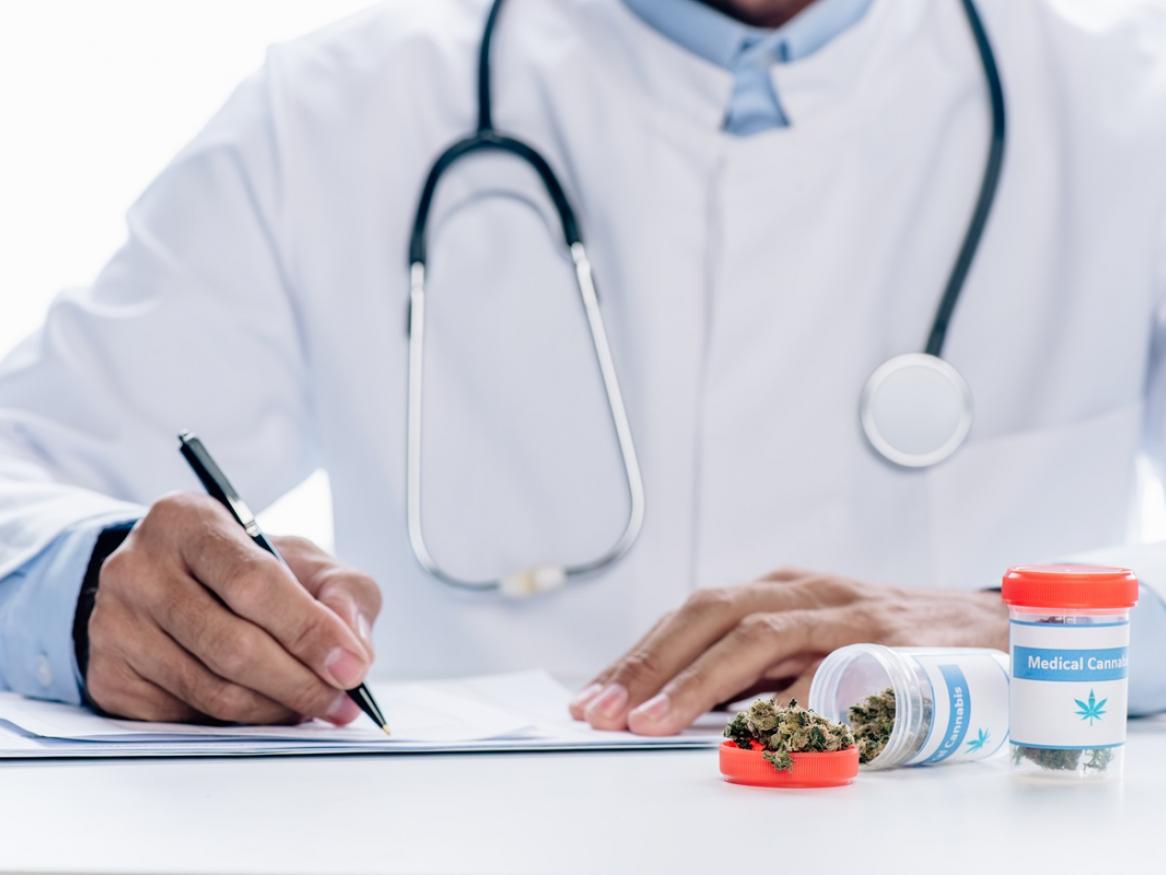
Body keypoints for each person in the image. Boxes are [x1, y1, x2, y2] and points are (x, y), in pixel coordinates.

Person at [2, 0, 1166, 734]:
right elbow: (23, 468)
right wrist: (98, 588)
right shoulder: (329, 111)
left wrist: (1030, 621)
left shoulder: (1128, 103)